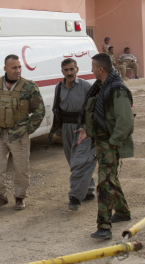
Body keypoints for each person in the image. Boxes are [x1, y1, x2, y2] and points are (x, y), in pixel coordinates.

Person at [75, 53, 134, 240]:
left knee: (105, 182)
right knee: (110, 178)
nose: (91, 70)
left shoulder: (117, 89)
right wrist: (87, 130)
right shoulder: (100, 87)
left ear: (100, 69)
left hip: (110, 143)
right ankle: (123, 212)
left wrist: (114, 143)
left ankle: (104, 226)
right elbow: (94, 115)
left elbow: (125, 121)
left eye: (93, 67)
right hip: (100, 142)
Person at [0, 54, 45, 211]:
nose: (18, 70)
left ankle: (20, 197)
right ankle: (0, 197)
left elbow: (40, 111)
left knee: (21, 167)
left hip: (19, 135)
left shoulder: (29, 87)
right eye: (14, 68)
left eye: (19, 67)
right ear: (5, 68)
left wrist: (27, 130)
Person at [52, 58, 97, 211]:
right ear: (62, 71)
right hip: (66, 129)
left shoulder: (86, 86)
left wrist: (88, 127)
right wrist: (57, 129)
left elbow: (94, 108)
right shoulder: (59, 87)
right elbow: (56, 109)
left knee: (80, 162)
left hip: (83, 129)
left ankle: (75, 197)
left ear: (77, 69)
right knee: (73, 161)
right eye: (66, 70)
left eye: (72, 69)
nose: (69, 73)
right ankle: (88, 190)